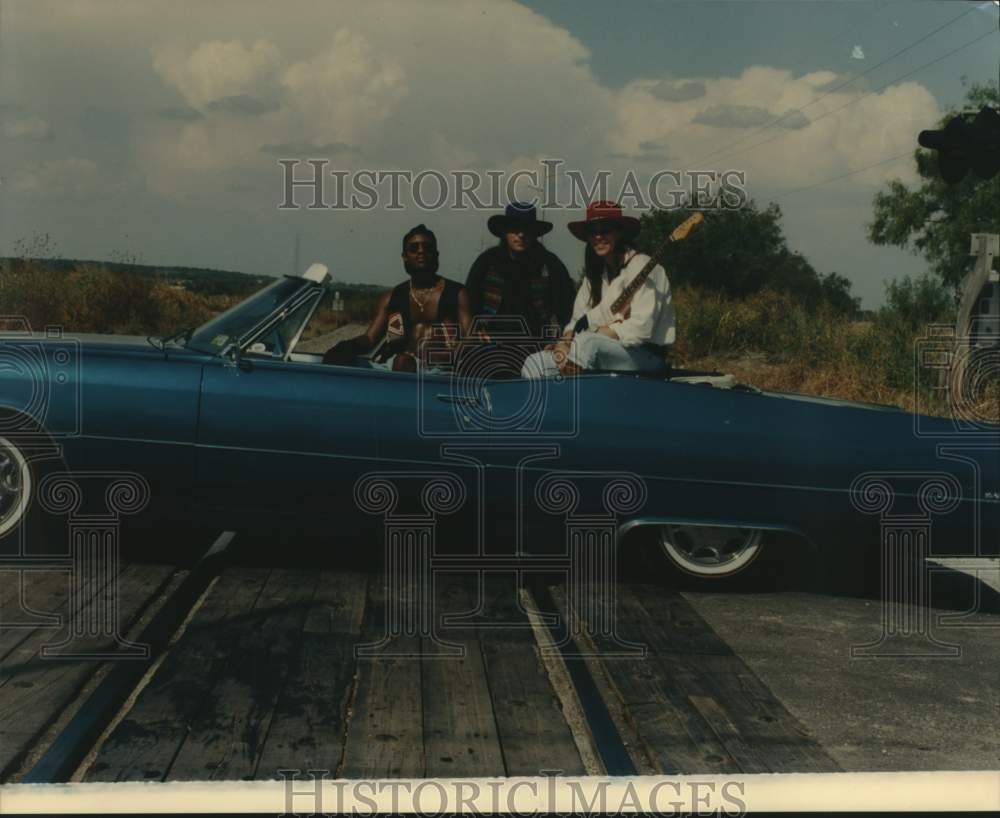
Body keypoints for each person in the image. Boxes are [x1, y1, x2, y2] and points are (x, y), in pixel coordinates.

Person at [521, 201, 675, 378]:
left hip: (644, 356)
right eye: (593, 232)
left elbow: (642, 329)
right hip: (593, 348)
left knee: (588, 343)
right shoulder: (593, 277)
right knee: (535, 362)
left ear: (620, 232)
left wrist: (598, 334)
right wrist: (564, 342)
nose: (598, 237)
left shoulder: (644, 266)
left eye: (605, 231)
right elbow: (576, 320)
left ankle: (576, 398)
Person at [323, 224, 472, 372]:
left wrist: (442, 356)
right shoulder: (392, 297)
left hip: (441, 371)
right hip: (398, 366)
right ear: (404, 257)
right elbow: (370, 338)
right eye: (414, 248)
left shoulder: (457, 293)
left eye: (427, 247)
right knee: (340, 362)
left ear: (436, 254)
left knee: (403, 363)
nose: (421, 251)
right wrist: (348, 346)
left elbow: (469, 340)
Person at [465, 202, 575, 341]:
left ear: (534, 233)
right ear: (505, 232)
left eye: (527, 229)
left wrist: (560, 340)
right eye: (515, 228)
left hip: (536, 341)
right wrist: (477, 331)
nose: (521, 234)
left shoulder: (549, 263)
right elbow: (469, 301)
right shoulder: (487, 261)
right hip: (490, 340)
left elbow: (567, 306)